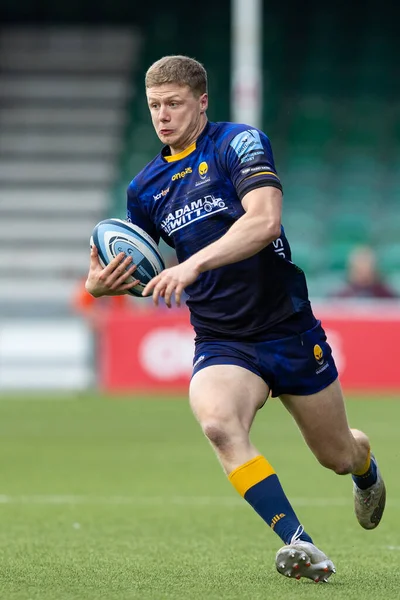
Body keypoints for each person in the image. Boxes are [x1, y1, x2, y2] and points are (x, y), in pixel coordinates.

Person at [85, 55, 386, 583]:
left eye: (174, 104)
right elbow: (135, 266)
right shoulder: (145, 188)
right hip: (223, 339)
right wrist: (99, 283)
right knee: (218, 425)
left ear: (201, 102)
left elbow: (266, 222)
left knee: (337, 455)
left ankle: (365, 469)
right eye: (154, 106)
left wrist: (194, 263)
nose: (162, 116)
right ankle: (300, 543)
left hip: (287, 328)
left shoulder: (238, 145)